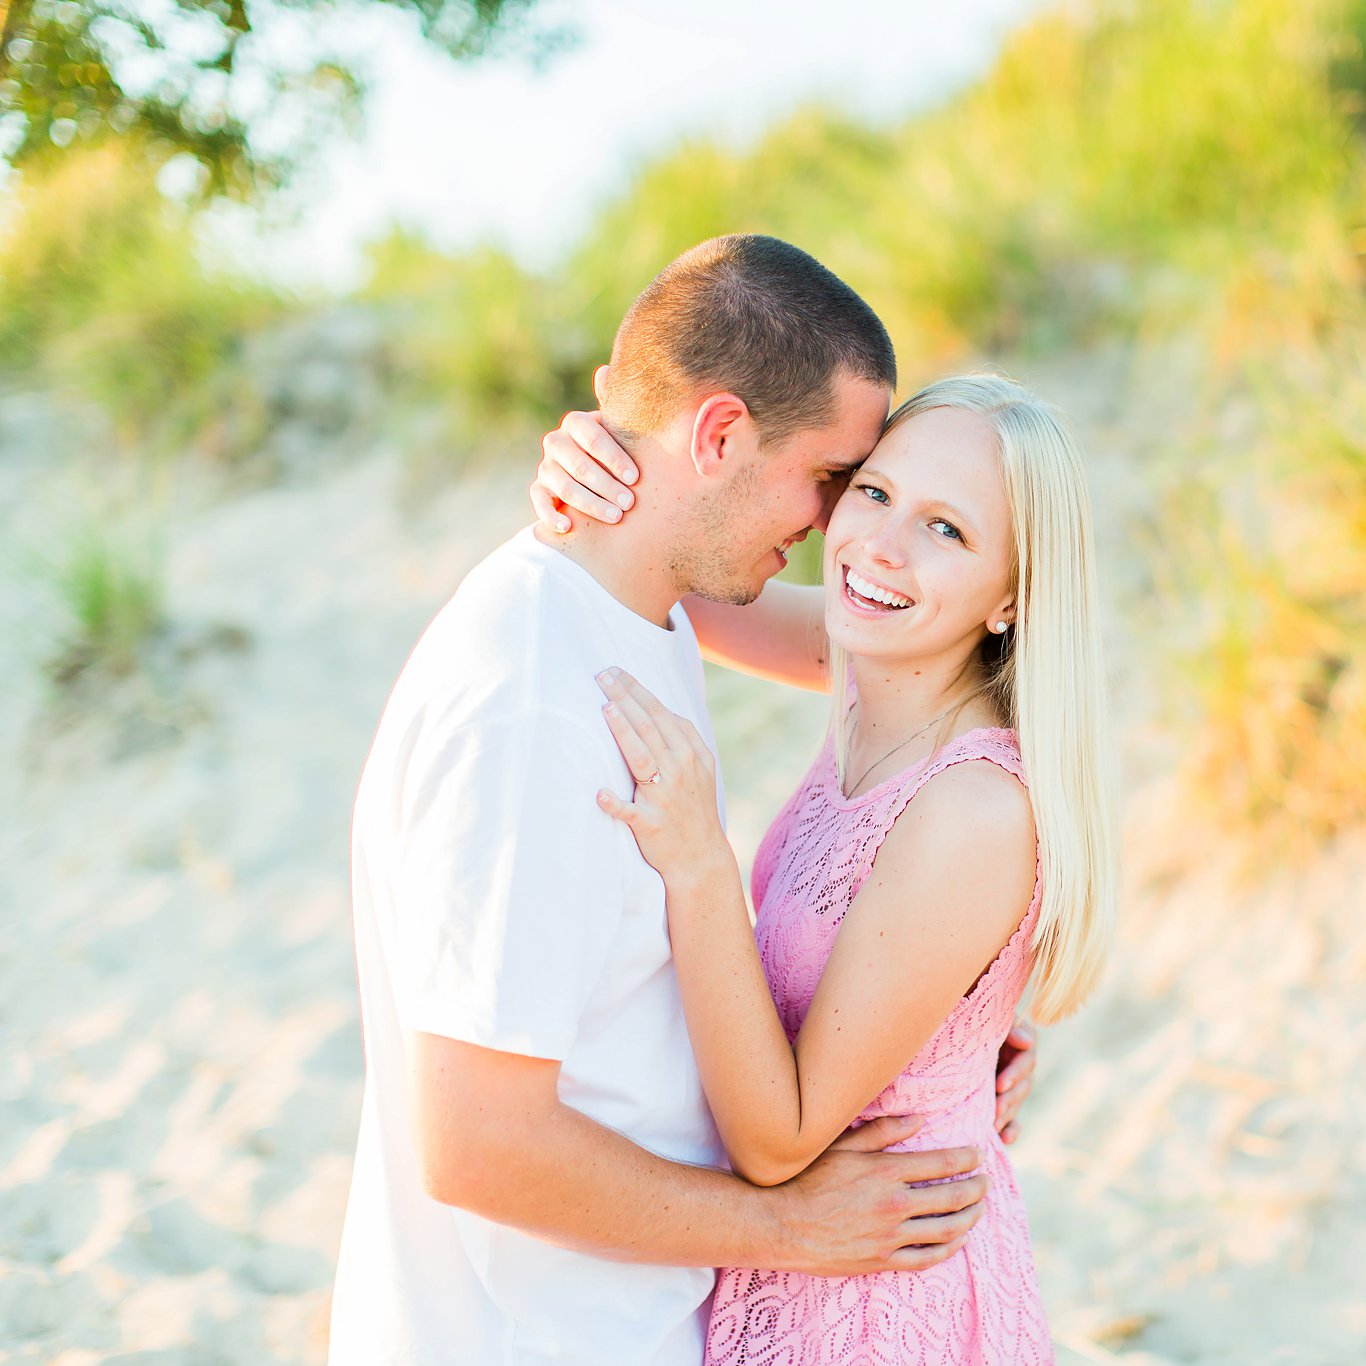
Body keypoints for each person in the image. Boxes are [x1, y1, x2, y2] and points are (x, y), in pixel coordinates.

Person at [332, 234, 1036, 1366]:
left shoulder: (657, 610)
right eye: (839, 482)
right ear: (717, 434)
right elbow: (473, 1143)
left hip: (649, 1316)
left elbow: (932, 700)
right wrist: (785, 1227)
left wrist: (953, 1023)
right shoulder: (535, 710)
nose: (833, 527)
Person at [529, 372, 1115, 1363]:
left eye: (949, 531)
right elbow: (664, 561)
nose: (882, 546)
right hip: (804, 1258)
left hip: (878, 1298)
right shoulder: (866, 662)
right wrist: (592, 466)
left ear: (1010, 595)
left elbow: (778, 1137)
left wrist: (699, 864)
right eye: (875, 493)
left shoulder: (971, 808)